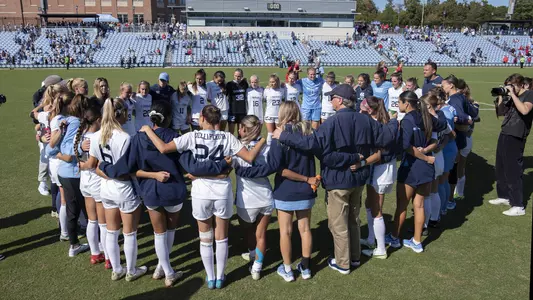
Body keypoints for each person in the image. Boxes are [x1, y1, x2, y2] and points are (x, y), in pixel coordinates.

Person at [273, 85, 399, 274]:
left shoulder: (332, 122)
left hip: (338, 180)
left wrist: (283, 135)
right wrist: (394, 122)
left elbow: (312, 144)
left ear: (340, 100)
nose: (330, 100)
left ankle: (343, 263)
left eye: (332, 97)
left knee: (338, 224)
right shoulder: (365, 120)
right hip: (358, 179)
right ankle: (354, 257)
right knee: (353, 220)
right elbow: (387, 136)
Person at [140, 105, 266, 289]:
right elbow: (249, 157)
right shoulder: (228, 137)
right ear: (218, 121)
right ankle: (221, 276)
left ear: (203, 120)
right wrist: (262, 140)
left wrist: (148, 131)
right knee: (221, 237)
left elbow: (164, 148)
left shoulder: (192, 136)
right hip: (222, 191)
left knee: (205, 238)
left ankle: (210, 277)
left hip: (201, 192)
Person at [238, 101, 318, 281]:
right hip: (306, 188)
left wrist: (244, 171)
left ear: (282, 114)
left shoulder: (278, 136)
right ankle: (306, 268)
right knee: (305, 229)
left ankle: (288, 269)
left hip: (285, 190)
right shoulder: (308, 133)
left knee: (286, 232)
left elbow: (274, 167)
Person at [87, 98, 147, 281]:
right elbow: (129, 169)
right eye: (126, 111)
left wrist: (108, 174)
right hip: (124, 189)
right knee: (129, 232)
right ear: (120, 114)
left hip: (106, 188)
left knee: (112, 231)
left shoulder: (95, 136)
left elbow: (95, 166)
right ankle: (131, 270)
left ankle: (116, 268)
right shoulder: (125, 138)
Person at [386, 91, 446, 253]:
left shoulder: (407, 120)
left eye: (399, 102)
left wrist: (424, 157)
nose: (398, 105)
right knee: (419, 206)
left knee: (402, 206)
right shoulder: (426, 117)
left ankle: (394, 237)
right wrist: (426, 153)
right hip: (427, 170)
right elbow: (442, 126)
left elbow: (405, 145)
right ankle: (417, 242)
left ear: (407, 103)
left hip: (412, 167)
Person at [231, 115, 273, 280]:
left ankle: (251, 254)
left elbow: (228, 168)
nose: (238, 130)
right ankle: (257, 267)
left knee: (249, 232)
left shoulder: (237, 148)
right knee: (261, 234)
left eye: (240, 128)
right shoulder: (267, 147)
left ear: (244, 129)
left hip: (246, 200)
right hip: (266, 197)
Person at [489, 73, 533, 216]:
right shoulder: (513, 95)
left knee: (513, 170)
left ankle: (518, 205)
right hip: (505, 132)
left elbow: (525, 110)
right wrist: (502, 96)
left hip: (517, 135)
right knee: (501, 166)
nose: (510, 88)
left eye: (512, 85)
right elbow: (501, 112)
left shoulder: (529, 94)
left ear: (521, 85)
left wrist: (513, 95)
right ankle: (504, 196)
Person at [54, 94, 92, 257]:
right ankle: (94, 245)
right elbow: (69, 149)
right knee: (86, 211)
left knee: (73, 210)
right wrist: (82, 148)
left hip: (65, 173)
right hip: (73, 174)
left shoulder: (66, 121)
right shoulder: (75, 122)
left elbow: (52, 148)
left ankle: (75, 244)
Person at [359, 97, 396, 259]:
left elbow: (379, 152)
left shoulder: (380, 124)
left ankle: (381, 248)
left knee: (376, 208)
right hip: (378, 168)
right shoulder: (382, 120)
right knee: (370, 203)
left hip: (381, 169)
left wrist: (361, 163)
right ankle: (371, 238)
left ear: (371, 109)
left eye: (363, 108)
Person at [74, 105, 109, 267]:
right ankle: (109, 257)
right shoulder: (97, 136)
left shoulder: (80, 135)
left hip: (85, 182)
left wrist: (79, 165)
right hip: (96, 182)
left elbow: (80, 160)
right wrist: (84, 165)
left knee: (92, 220)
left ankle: (95, 254)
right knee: (104, 223)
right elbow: (91, 164)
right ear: (98, 120)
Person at [226, 68, 249, 135]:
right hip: (232, 111)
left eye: (239, 76)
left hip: (242, 111)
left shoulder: (245, 84)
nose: (237, 77)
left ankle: (240, 144)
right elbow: (225, 94)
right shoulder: (229, 84)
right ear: (233, 75)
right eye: (235, 76)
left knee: (241, 133)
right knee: (231, 133)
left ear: (242, 76)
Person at [264, 74, 284, 143]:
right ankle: (269, 150)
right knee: (270, 134)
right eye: (271, 82)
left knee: (278, 133)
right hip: (269, 115)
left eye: (274, 81)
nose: (272, 83)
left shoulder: (282, 90)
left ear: (277, 81)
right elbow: (263, 99)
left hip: (279, 115)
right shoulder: (266, 90)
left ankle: (278, 148)